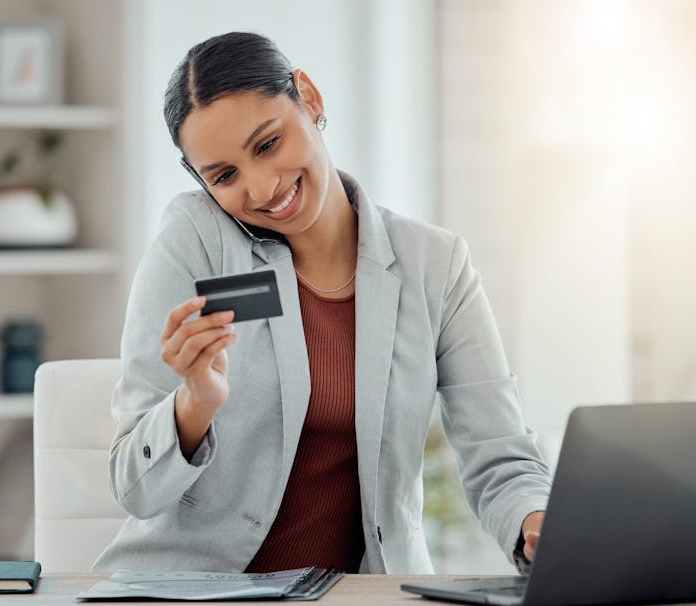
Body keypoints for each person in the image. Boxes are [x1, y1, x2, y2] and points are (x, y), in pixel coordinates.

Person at [93, 31, 550, 575]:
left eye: (267, 144)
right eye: (225, 176)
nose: (262, 189)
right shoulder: (194, 241)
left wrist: (535, 523)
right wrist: (195, 402)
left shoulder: (435, 264)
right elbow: (133, 487)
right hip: (195, 589)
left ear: (308, 97)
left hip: (362, 593)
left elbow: (501, 454)